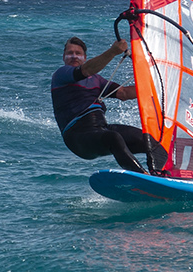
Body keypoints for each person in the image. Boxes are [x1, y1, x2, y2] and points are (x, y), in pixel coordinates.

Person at [50, 35, 165, 174]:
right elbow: (86, 70)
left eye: (78, 53)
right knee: (114, 137)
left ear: (84, 57)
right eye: (70, 53)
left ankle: (161, 174)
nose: (74, 56)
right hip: (76, 135)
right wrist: (113, 52)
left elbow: (124, 93)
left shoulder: (96, 80)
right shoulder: (61, 74)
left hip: (100, 128)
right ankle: (143, 178)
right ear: (64, 57)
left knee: (149, 140)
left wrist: (158, 83)